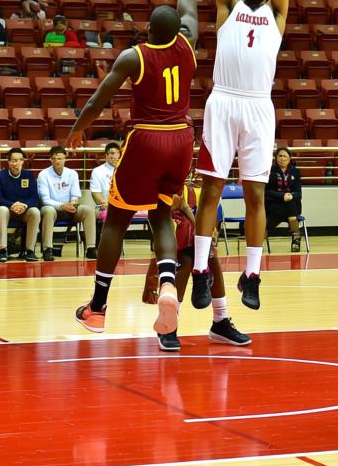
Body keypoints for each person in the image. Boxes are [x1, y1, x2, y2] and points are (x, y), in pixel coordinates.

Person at [68, 0, 206, 336]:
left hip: (146, 139)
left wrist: (77, 130)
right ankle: (168, 285)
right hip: (183, 138)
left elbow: (97, 100)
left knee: (120, 218)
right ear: (179, 28)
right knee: (163, 217)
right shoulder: (189, 43)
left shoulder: (134, 56)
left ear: (148, 31)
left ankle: (99, 307)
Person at [192, 0, 288, 312]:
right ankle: (199, 271)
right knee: (210, 190)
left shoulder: (277, 14)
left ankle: (252, 275)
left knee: (255, 196)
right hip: (223, 101)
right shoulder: (227, 9)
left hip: (258, 107)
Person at [141, 183, 250, 351]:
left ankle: (220, 321)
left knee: (211, 257)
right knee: (184, 260)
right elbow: (179, 205)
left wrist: (203, 227)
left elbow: (205, 203)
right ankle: (169, 324)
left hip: (197, 211)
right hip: (172, 213)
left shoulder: (209, 173)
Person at [38, 146, 97, 261]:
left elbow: (75, 195)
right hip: (52, 209)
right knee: (48, 210)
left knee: (88, 210)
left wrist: (73, 203)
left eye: (60, 158)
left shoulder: (72, 173)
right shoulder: (43, 174)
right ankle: (47, 249)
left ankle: (91, 248)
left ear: (65, 159)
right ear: (50, 159)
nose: (57, 161)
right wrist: (61, 205)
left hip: (69, 208)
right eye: (54, 158)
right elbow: (45, 199)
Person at [0, 147, 40, 262]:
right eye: (13, 160)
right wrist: (12, 205)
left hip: (23, 211)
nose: (16, 163)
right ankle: (2, 250)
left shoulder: (29, 176)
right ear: (8, 161)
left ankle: (29, 250)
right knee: (2, 209)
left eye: (19, 160)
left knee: (35, 212)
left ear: (23, 161)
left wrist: (25, 205)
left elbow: (35, 197)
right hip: (2, 211)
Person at [267, 146, 304, 253]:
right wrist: (282, 196)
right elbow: (267, 191)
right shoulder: (270, 171)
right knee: (291, 212)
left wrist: (291, 195)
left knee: (290, 203)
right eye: (280, 156)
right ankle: (296, 238)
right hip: (274, 204)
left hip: (290, 203)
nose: (282, 158)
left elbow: (299, 193)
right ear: (276, 158)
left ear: (289, 159)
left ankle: (265, 230)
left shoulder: (295, 172)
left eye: (285, 156)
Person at [89, 141, 121, 226]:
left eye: (118, 153)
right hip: (105, 207)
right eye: (112, 153)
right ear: (106, 156)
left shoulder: (125, 170)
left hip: (123, 207)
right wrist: (104, 203)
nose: (115, 156)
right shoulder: (97, 171)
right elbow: (95, 193)